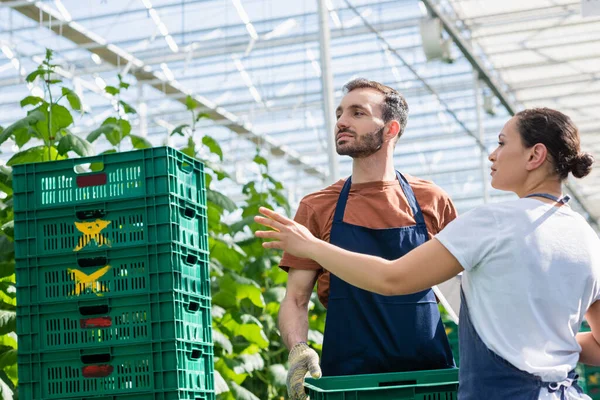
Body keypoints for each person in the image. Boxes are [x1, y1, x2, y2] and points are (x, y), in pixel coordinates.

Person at [255, 107, 599, 400]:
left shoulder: (489, 220)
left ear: (535, 155)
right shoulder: (587, 237)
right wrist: (546, 336)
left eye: (501, 143)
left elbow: (394, 278)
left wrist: (311, 245)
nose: (492, 154)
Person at [277, 78, 457, 400]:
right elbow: (295, 299)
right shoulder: (317, 206)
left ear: (390, 129)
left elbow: (461, 293)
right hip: (349, 382)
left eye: (357, 113)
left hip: (430, 380)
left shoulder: (431, 200)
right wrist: (299, 349)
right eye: (339, 114)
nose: (341, 122)